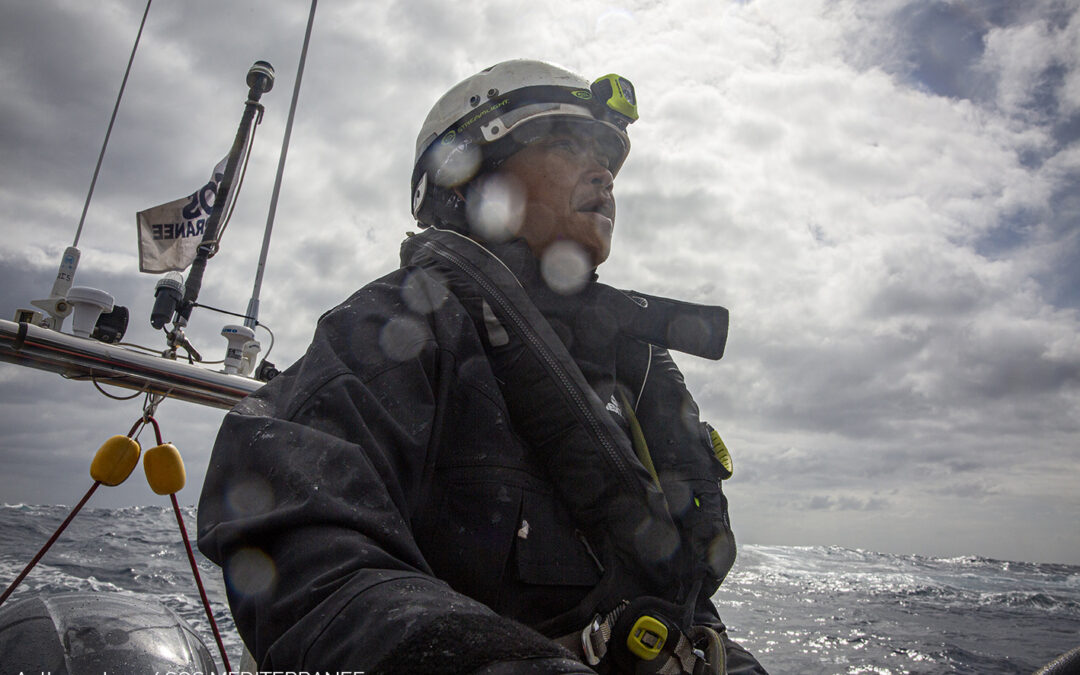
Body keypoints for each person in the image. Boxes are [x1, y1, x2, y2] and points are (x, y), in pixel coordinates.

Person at [198, 59, 767, 674]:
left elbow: (679, 603)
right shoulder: (397, 327)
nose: (604, 173)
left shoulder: (632, 371)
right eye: (571, 144)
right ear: (466, 178)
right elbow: (300, 545)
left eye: (609, 157)